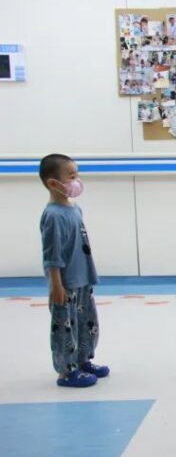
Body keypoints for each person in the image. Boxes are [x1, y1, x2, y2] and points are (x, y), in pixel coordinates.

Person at [38, 154, 107, 388]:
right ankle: (66, 372)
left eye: (77, 175)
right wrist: (56, 285)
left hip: (82, 278)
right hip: (65, 283)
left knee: (86, 323)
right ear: (53, 183)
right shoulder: (53, 215)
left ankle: (82, 360)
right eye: (72, 177)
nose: (77, 181)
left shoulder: (74, 209)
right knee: (65, 328)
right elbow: (52, 254)